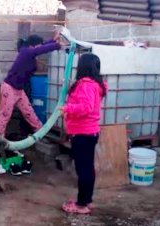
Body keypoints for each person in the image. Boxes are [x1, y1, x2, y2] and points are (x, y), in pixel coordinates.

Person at [60, 53, 107, 214]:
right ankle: (86, 200)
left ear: (82, 67)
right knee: (87, 168)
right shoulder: (94, 84)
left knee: (84, 169)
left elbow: (86, 107)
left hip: (83, 133)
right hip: (88, 132)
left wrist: (67, 109)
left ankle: (81, 205)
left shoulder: (86, 85)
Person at [0, 33, 62, 137]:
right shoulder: (26, 51)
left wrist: (53, 40)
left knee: (29, 112)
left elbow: (41, 46)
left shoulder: (30, 51)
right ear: (33, 45)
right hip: (9, 88)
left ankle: (40, 133)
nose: (41, 47)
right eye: (39, 45)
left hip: (19, 90)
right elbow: (40, 49)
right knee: (5, 114)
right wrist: (57, 45)